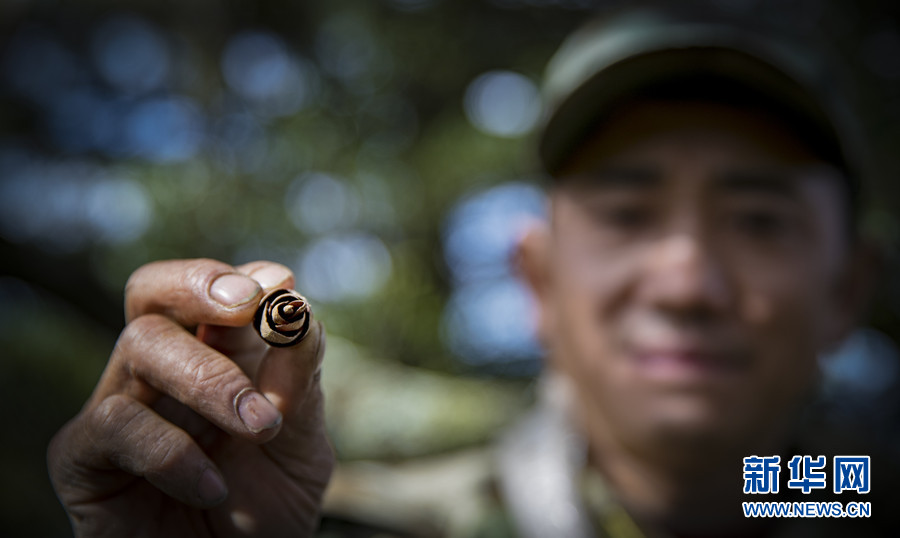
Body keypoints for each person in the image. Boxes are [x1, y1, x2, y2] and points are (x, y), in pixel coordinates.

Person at [48, 7, 896, 537]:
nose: (686, 285)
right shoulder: (340, 520)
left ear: (847, 290)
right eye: (627, 214)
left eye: (758, 222)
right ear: (539, 282)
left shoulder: (855, 496)